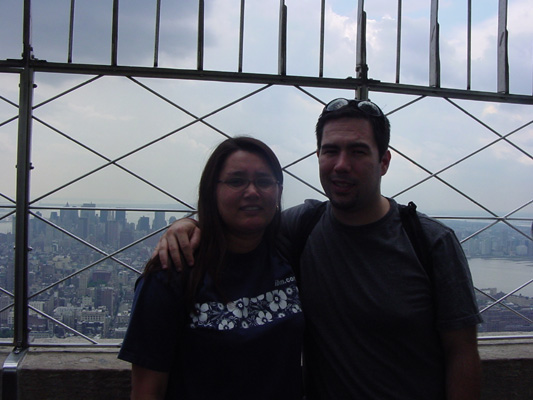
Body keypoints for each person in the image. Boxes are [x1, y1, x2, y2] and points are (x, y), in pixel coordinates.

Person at [155, 98, 482, 400]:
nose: (341, 164)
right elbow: (239, 223)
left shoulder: (430, 242)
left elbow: (462, 352)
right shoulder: (302, 227)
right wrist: (188, 225)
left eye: (357, 152)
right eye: (330, 151)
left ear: (383, 161)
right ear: (318, 157)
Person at [118, 137, 305, 399]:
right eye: (236, 181)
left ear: (278, 190)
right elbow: (147, 392)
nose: (252, 192)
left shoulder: (290, 252)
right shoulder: (172, 272)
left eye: (264, 182)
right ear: (211, 191)